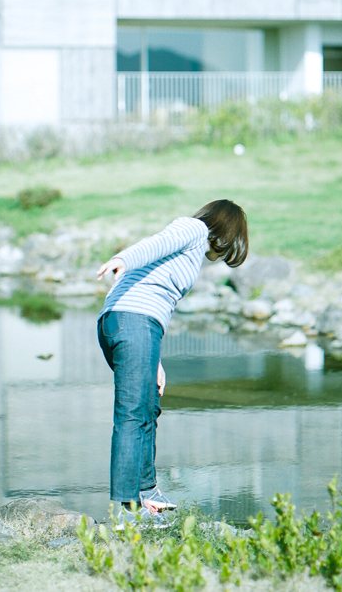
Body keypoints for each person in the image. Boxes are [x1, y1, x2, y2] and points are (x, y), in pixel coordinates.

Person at [96, 199, 249, 525]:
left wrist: (156, 362)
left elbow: (155, 303)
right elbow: (155, 244)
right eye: (230, 242)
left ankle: (147, 492)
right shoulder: (194, 229)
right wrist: (124, 259)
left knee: (148, 406)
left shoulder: (192, 253)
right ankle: (124, 512)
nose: (223, 252)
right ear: (225, 229)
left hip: (134, 326)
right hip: (132, 321)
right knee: (132, 415)